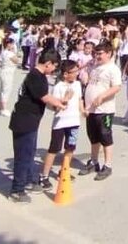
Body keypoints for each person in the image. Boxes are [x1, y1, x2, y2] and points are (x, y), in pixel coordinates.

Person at [8, 49, 65, 203]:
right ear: (48, 63)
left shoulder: (39, 76)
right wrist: (60, 104)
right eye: (54, 67)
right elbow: (44, 97)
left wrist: (57, 102)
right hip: (24, 121)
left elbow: (44, 98)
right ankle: (17, 190)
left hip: (31, 121)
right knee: (23, 156)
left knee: (30, 153)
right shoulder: (35, 76)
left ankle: (27, 180)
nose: (53, 71)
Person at [38, 61, 82, 190]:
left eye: (77, 71)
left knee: (70, 147)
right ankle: (44, 175)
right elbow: (55, 107)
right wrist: (65, 99)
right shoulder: (58, 87)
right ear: (66, 74)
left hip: (74, 122)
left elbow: (79, 99)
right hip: (60, 122)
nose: (77, 74)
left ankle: (64, 170)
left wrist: (83, 110)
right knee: (54, 148)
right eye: (74, 72)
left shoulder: (78, 84)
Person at [81, 43, 122, 181]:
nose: (97, 56)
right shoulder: (94, 67)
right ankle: (94, 162)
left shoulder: (113, 69)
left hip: (105, 110)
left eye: (100, 53)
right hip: (91, 109)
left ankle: (108, 165)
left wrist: (102, 96)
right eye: (96, 53)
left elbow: (116, 87)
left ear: (109, 53)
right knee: (93, 136)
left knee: (105, 136)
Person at [0, 38, 21, 117]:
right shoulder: (10, 53)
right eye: (12, 44)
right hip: (8, 73)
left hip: (3, 71)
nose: (13, 45)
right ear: (8, 44)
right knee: (6, 91)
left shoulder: (3, 52)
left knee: (2, 91)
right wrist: (14, 52)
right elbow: (16, 60)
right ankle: (3, 109)